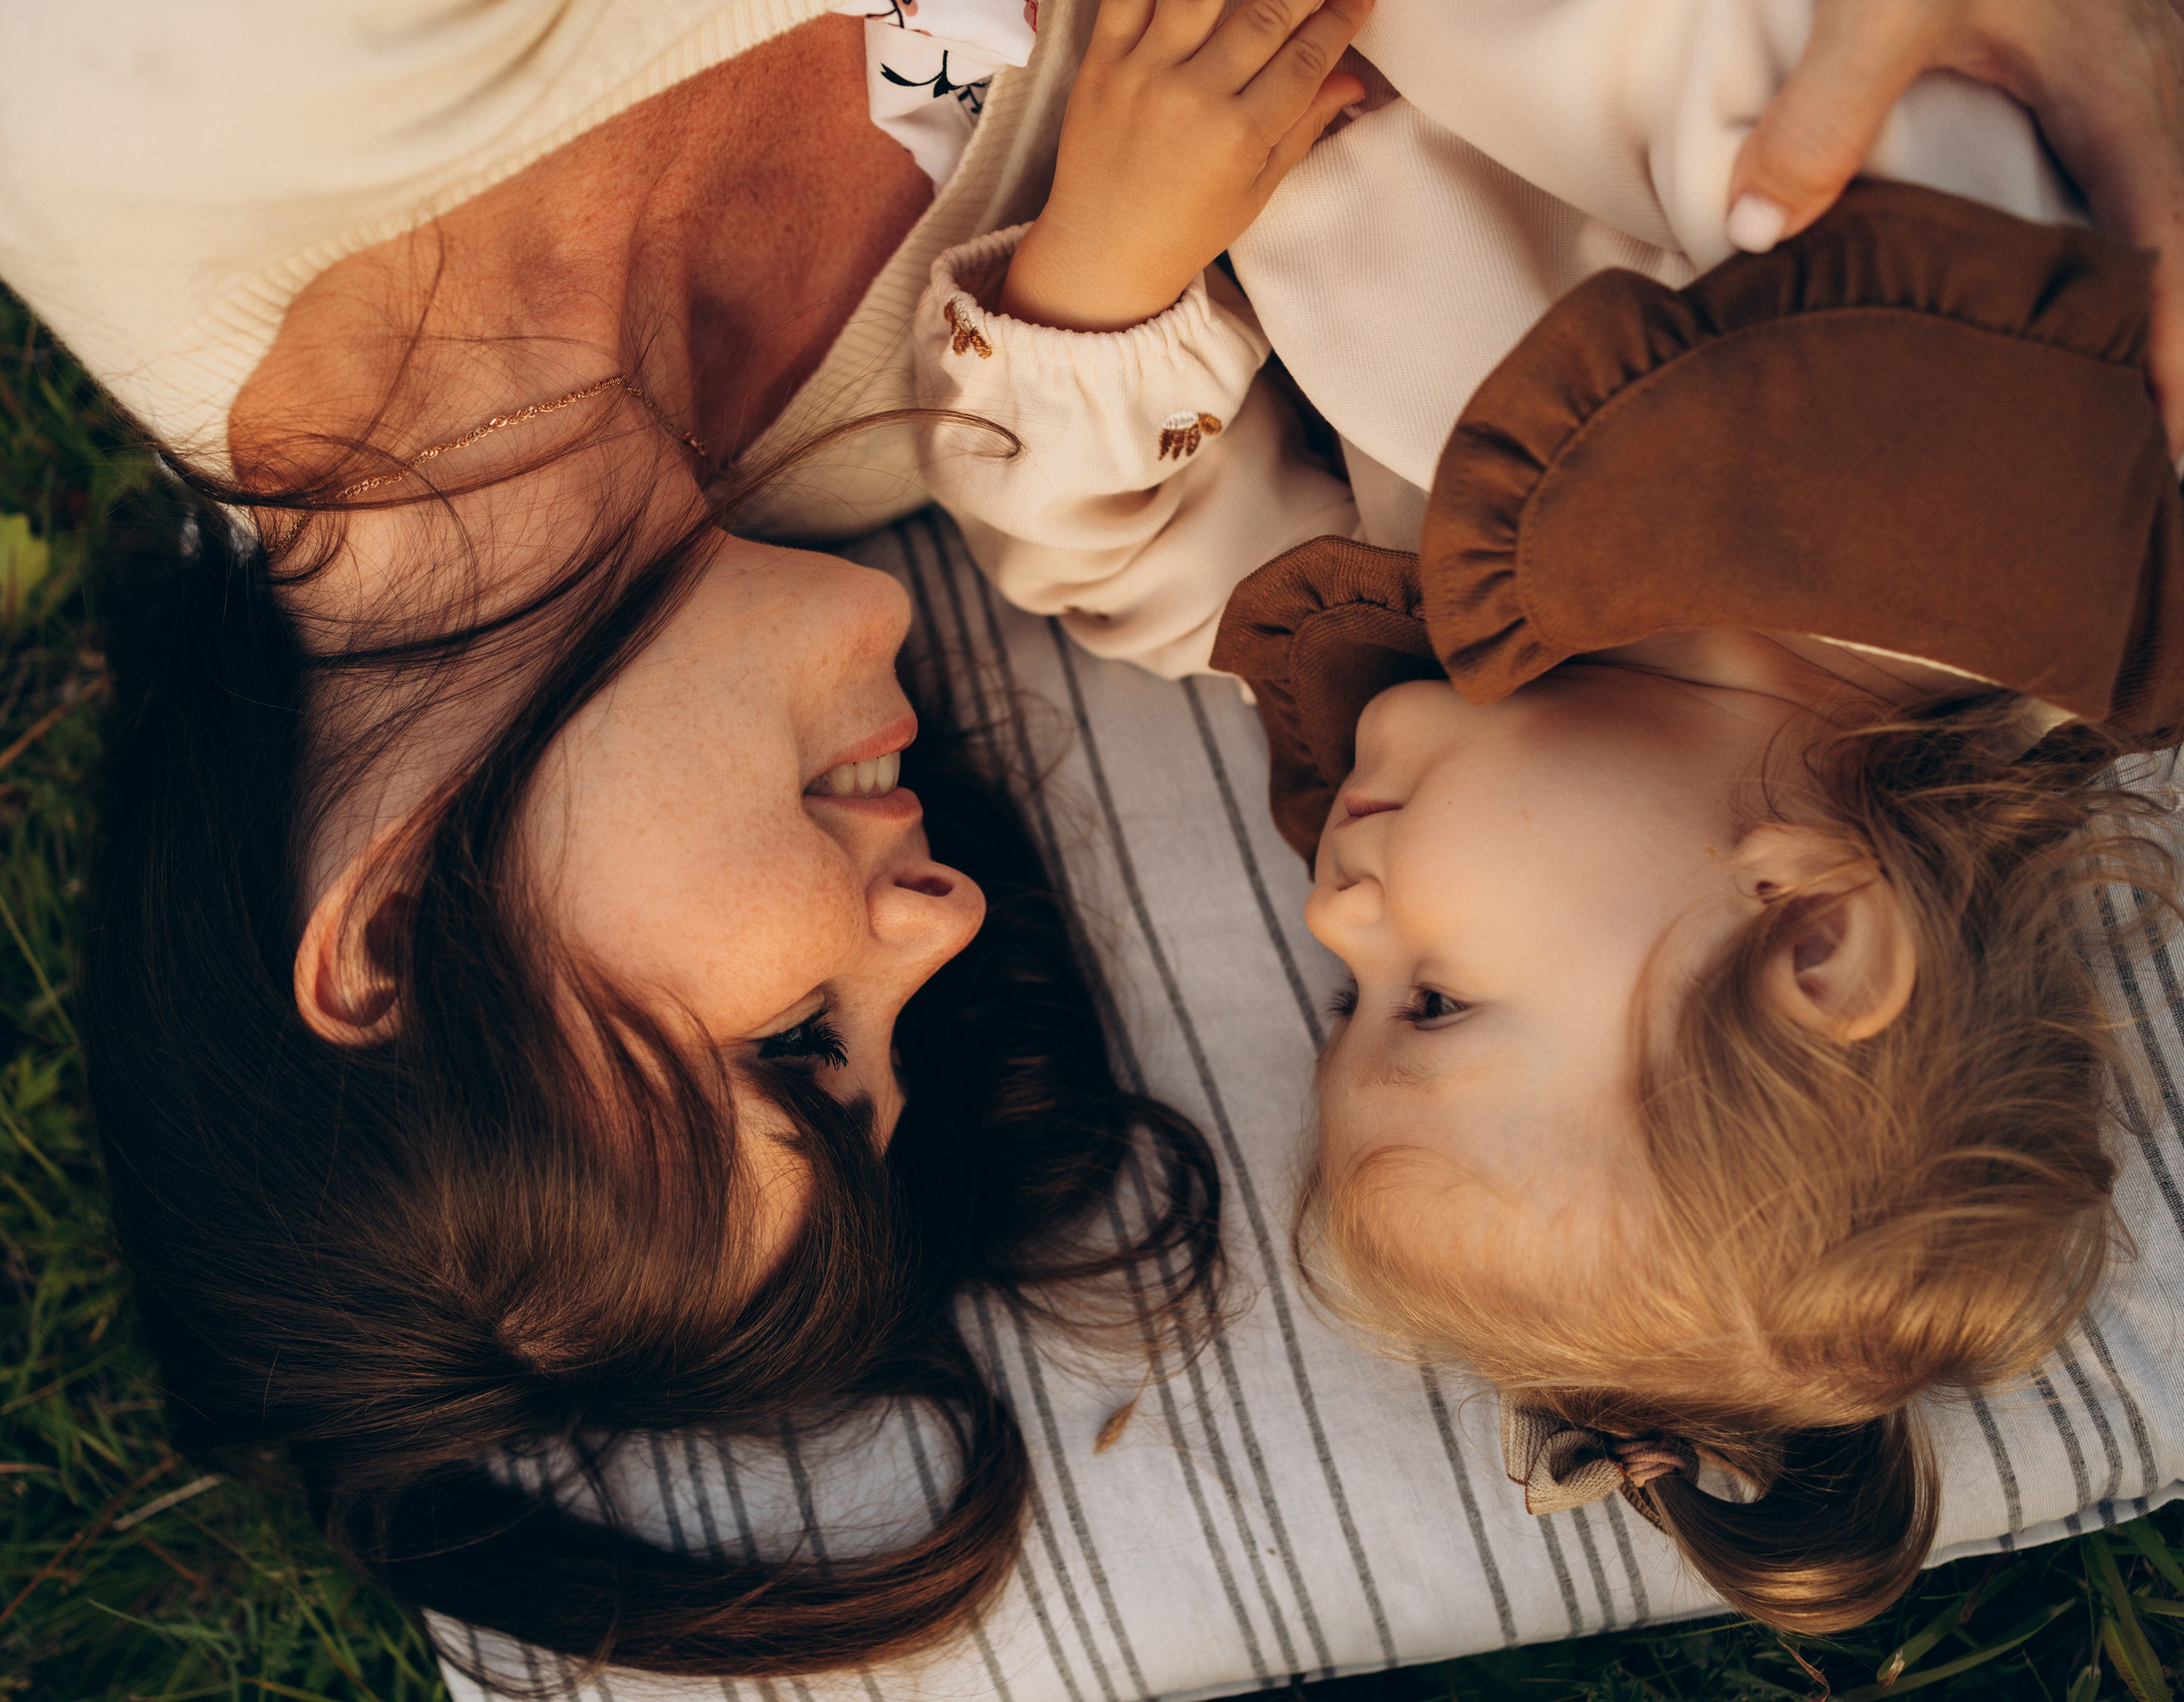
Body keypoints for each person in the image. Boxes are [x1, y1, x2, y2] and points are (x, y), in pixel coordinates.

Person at [0, 0, 2184, 1674]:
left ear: (386, 930)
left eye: (798, 1046)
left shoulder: (132, 62)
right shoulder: (875, 444)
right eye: (878, 1051)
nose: (941, 913)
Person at [911, 0, 2184, 1635]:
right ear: (1813, 929)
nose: (1333, 915)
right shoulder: (1960, 457)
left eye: (1339, 1004)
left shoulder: (1479, 700)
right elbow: (1727, 51)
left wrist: (1104, 276)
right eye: (1432, 1001)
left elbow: (1118, 566)